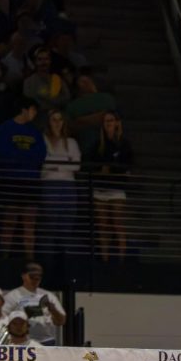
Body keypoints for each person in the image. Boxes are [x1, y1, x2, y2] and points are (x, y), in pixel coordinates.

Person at [0, 96, 46, 258]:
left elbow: (41, 154)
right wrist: (23, 158)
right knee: (10, 222)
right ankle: (4, 258)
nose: (34, 113)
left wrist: (22, 158)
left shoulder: (35, 131)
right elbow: (2, 153)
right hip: (12, 182)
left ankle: (29, 258)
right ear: (24, 110)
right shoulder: (5, 129)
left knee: (29, 224)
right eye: (33, 110)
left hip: (31, 183)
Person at [84, 111, 132, 262]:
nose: (109, 123)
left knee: (117, 223)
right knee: (102, 225)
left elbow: (127, 165)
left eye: (111, 120)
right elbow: (90, 164)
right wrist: (101, 170)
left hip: (117, 188)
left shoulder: (123, 143)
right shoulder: (98, 144)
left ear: (117, 123)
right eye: (106, 121)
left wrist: (111, 169)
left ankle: (121, 259)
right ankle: (104, 258)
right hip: (100, 189)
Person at [41, 109, 81, 257]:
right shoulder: (43, 139)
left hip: (68, 185)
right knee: (50, 221)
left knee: (67, 221)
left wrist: (56, 164)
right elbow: (43, 163)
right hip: (50, 184)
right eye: (54, 119)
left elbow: (76, 165)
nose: (57, 123)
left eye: (60, 119)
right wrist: (65, 163)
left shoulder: (71, 142)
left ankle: (62, 257)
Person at [3, 262, 67, 347]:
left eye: (38, 278)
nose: (35, 281)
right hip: (22, 341)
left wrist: (52, 309)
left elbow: (61, 321)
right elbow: (2, 319)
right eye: (32, 277)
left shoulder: (49, 296)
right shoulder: (13, 296)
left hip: (46, 341)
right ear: (23, 276)